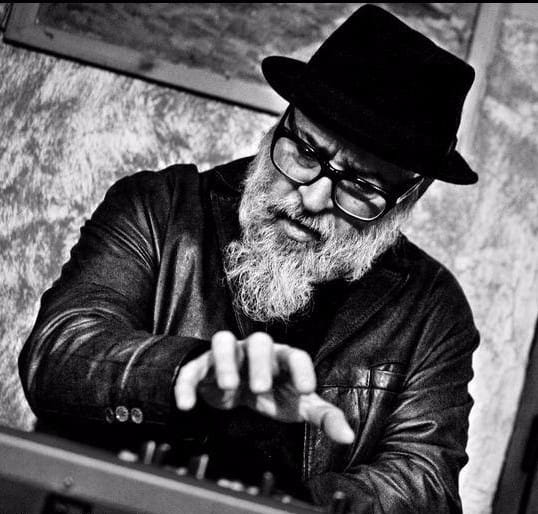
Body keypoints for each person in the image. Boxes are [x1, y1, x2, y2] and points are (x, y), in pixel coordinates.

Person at [19, 4, 480, 513]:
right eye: (307, 152)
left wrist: (274, 504)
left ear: (409, 197)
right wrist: (189, 371)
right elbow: (56, 357)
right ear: (281, 124)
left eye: (360, 185)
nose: (313, 197)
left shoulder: (433, 309)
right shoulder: (157, 208)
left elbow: (424, 484)